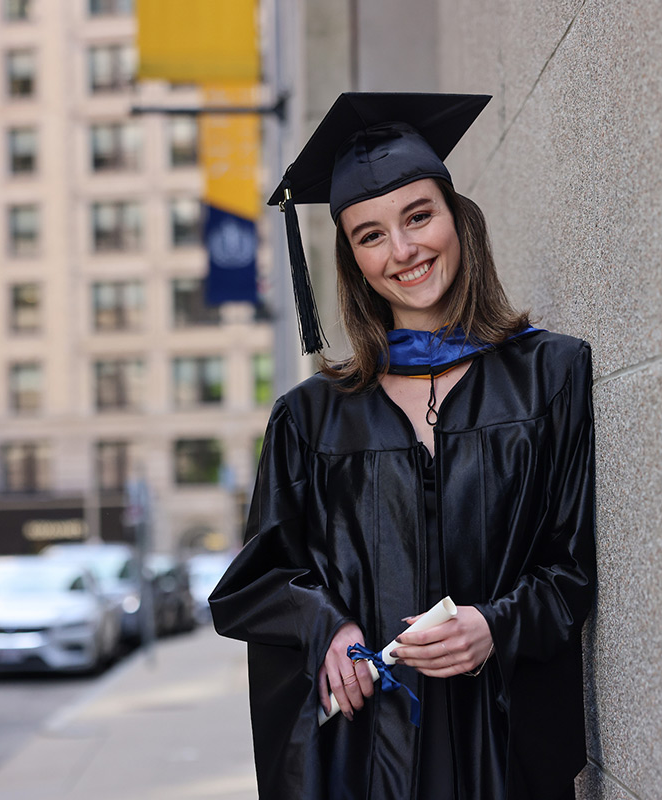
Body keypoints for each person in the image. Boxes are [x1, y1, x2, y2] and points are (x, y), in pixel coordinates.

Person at [209, 92, 596, 800]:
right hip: (369, 760)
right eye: (370, 235)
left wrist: (494, 627)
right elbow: (252, 583)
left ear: (458, 219)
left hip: (501, 752)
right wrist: (324, 627)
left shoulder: (551, 375)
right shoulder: (310, 418)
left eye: (418, 216)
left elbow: (572, 568)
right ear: (352, 260)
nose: (404, 251)